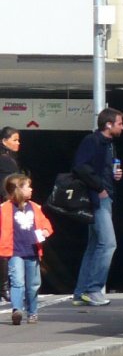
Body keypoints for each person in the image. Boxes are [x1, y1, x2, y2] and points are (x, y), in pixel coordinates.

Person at [71, 108, 123, 307]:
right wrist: (99, 187)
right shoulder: (92, 141)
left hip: (105, 198)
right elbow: (80, 166)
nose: (122, 127)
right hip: (97, 199)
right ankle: (93, 289)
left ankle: (80, 292)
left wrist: (114, 175)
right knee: (108, 244)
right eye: (119, 123)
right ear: (108, 124)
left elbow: (101, 169)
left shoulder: (109, 145)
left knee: (94, 246)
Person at [1, 173, 53, 325]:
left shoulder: (35, 207)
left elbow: (46, 223)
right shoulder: (4, 209)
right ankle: (17, 309)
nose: (31, 189)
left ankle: (32, 312)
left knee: (33, 284)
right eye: (27, 186)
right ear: (18, 190)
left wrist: (45, 231)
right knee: (17, 281)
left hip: (32, 251)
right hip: (14, 251)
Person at [0, 127, 21, 302]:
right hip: (4, 209)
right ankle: (4, 287)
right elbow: (7, 187)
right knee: (5, 248)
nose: (18, 143)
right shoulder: (6, 161)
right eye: (14, 140)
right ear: (4, 141)